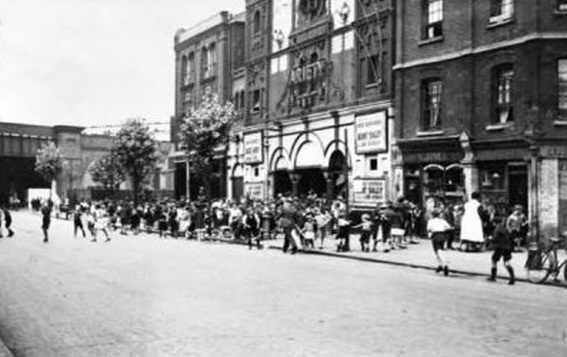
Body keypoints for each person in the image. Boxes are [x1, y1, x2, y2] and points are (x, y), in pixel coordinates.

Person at [487, 216, 515, 285]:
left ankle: (493, 276)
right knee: (507, 262)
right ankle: (512, 278)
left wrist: (490, 238)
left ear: (495, 223)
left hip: (500, 247)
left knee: (494, 260)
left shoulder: (497, 229)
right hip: (507, 247)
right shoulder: (505, 228)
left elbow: (495, 238)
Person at [427, 209, 452, 276]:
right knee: (440, 250)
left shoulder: (431, 221)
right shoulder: (443, 221)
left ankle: (444, 265)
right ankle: (440, 265)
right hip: (442, 235)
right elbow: (449, 227)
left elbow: (429, 229)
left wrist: (430, 234)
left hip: (435, 235)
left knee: (437, 250)